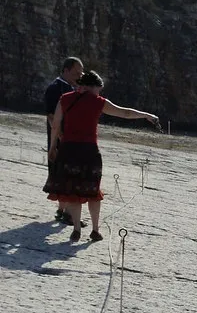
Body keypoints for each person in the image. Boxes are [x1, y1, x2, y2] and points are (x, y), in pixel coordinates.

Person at [44, 70, 160, 242]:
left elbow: (55, 125)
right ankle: (95, 230)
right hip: (89, 151)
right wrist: (146, 115)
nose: (99, 93)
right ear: (92, 87)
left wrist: (53, 147)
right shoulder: (98, 102)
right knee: (93, 191)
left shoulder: (65, 99)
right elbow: (125, 113)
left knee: (73, 190)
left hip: (68, 150)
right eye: (98, 89)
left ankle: (76, 229)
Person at [44, 56, 84, 222]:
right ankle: (67, 213)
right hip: (62, 139)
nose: (79, 76)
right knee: (66, 175)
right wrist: (61, 137)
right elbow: (51, 117)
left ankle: (62, 210)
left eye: (80, 73)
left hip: (70, 138)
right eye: (76, 73)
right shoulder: (55, 88)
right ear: (66, 70)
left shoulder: (72, 88)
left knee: (64, 174)